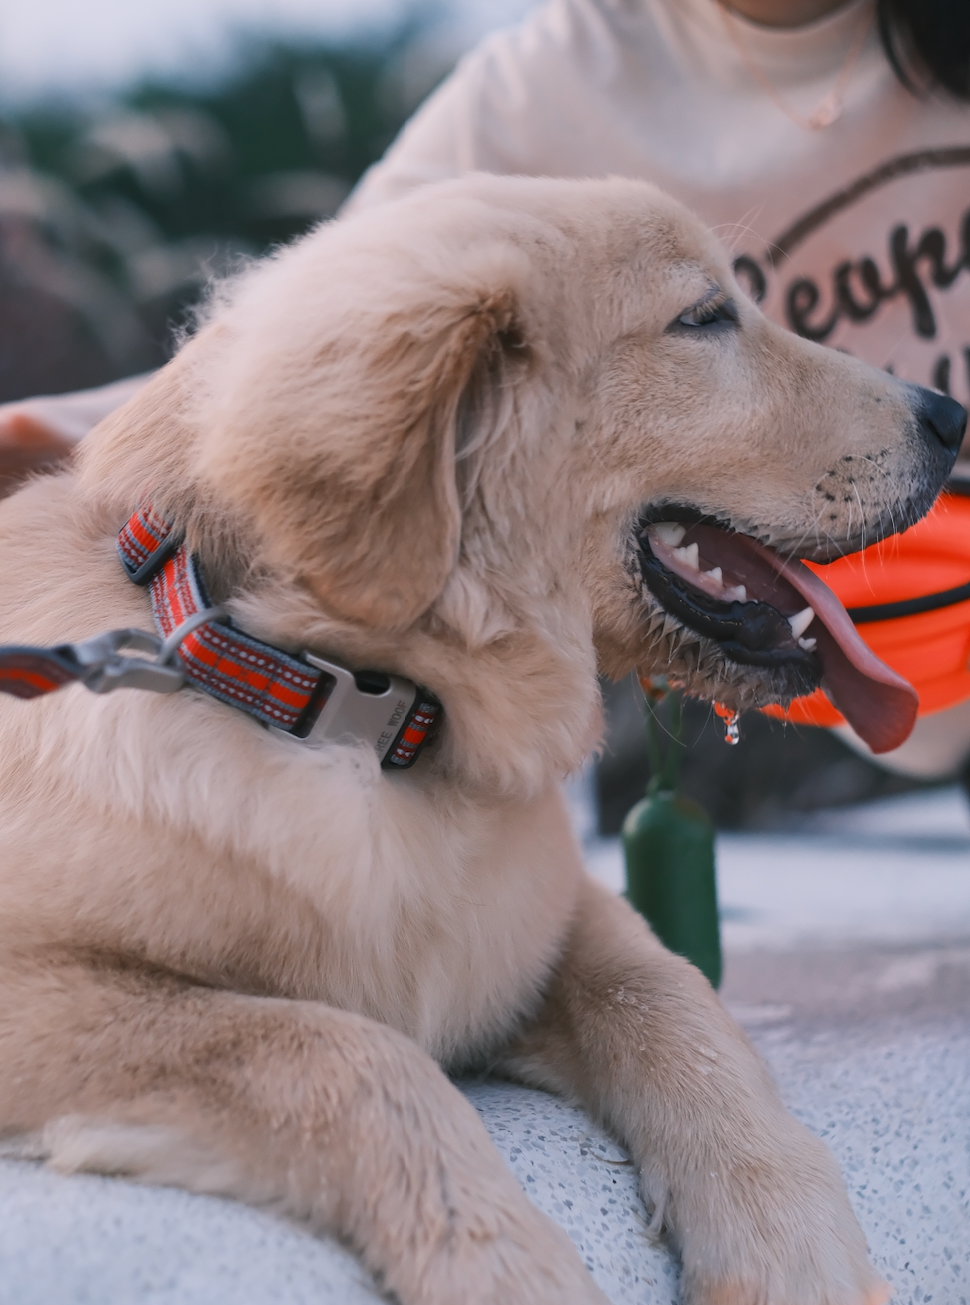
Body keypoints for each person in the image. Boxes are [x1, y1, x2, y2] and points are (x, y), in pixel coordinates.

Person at [3, 0, 970, 776]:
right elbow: (327, 338)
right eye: (706, 318)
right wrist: (58, 427)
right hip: (813, 619)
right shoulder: (544, 78)